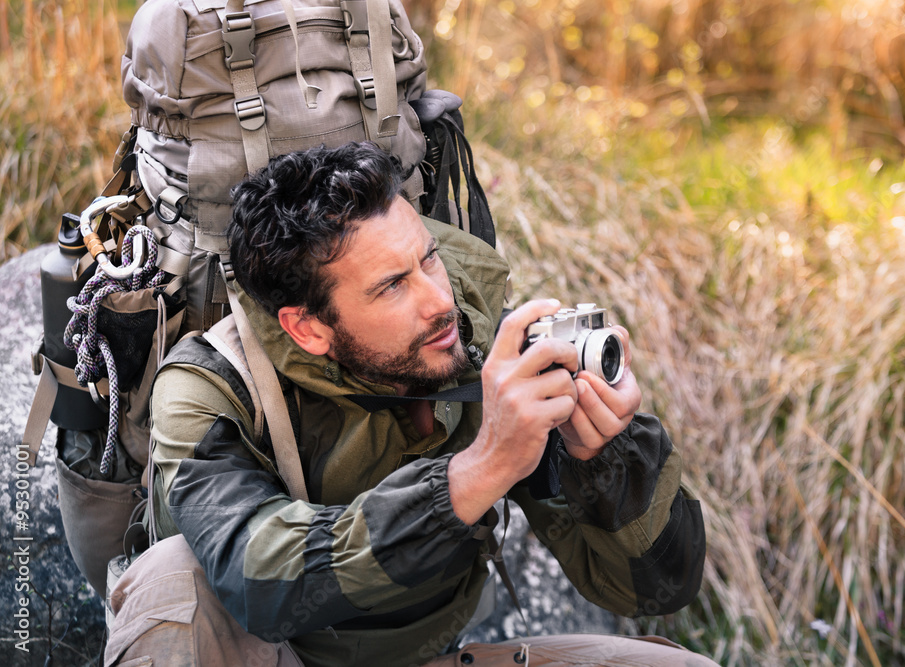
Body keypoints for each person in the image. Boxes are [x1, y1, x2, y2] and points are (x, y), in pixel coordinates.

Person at [104, 141, 713, 667]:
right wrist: (477, 473)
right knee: (170, 576)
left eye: (428, 259)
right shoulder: (209, 388)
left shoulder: (480, 349)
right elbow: (257, 577)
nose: (440, 302)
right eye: (393, 285)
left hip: (428, 658)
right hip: (277, 658)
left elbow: (657, 588)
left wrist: (605, 454)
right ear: (308, 328)